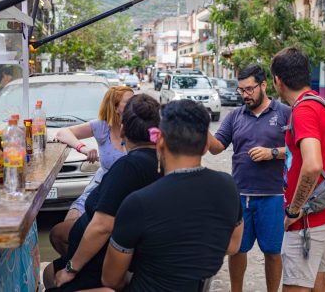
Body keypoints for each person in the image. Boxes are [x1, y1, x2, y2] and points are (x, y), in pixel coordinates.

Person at [100, 99, 243, 291]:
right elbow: (233, 246)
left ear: (160, 143)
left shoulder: (139, 202)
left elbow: (110, 280)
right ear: (204, 147)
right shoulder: (228, 186)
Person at [43, 94, 162, 291]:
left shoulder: (128, 167)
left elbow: (103, 227)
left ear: (122, 129)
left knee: (54, 277)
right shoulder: (160, 160)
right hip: (114, 252)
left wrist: (71, 269)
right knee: (50, 268)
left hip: (108, 260)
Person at [208, 65, 291, 292]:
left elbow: (299, 149)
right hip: (241, 196)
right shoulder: (235, 116)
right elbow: (216, 148)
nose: (245, 94)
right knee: (237, 250)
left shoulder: (284, 113)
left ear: (264, 85)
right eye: (241, 90)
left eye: (250, 89)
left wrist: (272, 152)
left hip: (274, 196)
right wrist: (201, 127)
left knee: (273, 252)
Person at [271, 47, 325, 291]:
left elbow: (312, 165)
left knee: (296, 285)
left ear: (277, 81)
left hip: (307, 220)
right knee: (317, 279)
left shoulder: (304, 110)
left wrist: (294, 210)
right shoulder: (319, 102)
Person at [50, 86, 134, 256]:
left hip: (127, 189)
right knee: (69, 226)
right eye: (129, 102)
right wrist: (83, 148)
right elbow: (62, 132)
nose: (135, 105)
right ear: (115, 106)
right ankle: (79, 269)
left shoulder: (138, 127)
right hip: (100, 185)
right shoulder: (102, 127)